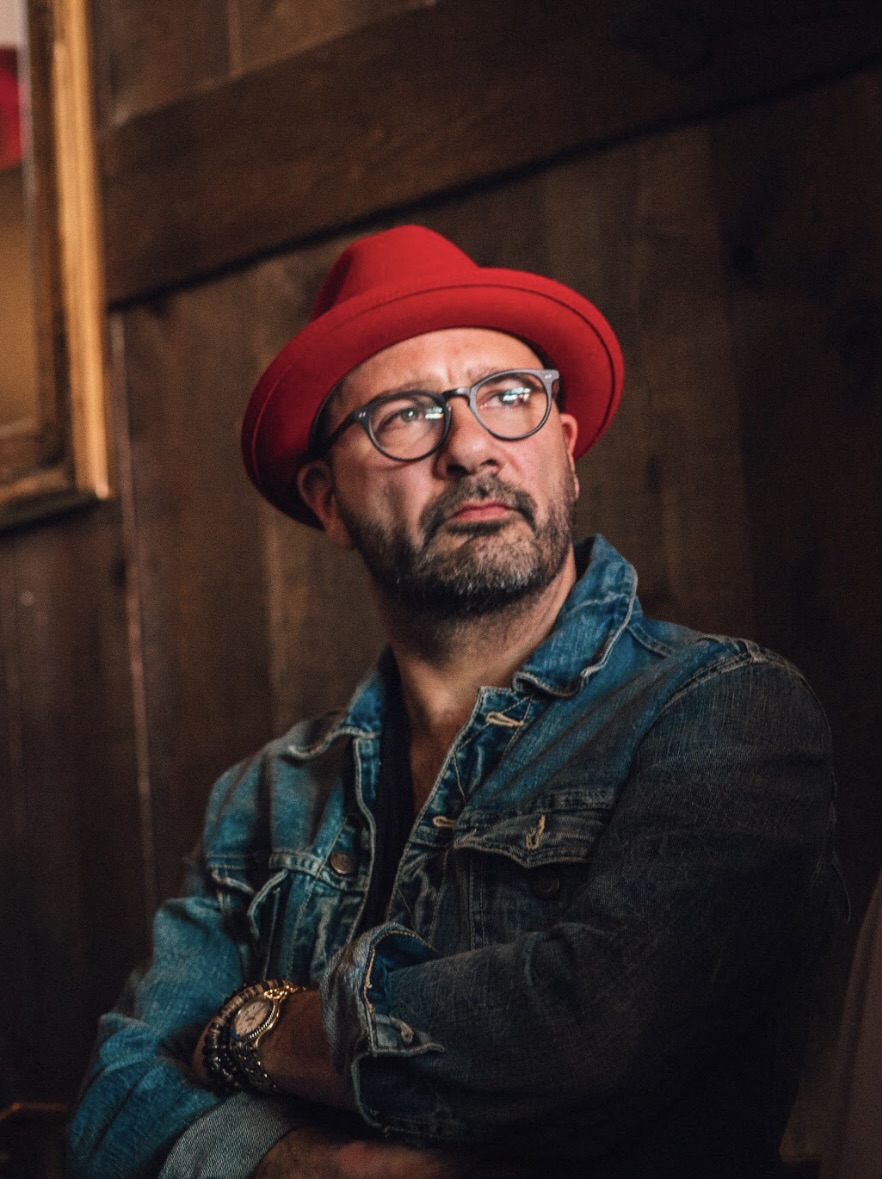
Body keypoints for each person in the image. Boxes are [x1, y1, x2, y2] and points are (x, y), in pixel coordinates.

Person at [69, 225, 848, 1178]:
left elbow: (588, 1034)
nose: (472, 446)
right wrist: (319, 1168)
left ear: (564, 449)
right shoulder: (262, 799)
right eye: (406, 414)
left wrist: (265, 1029)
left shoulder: (720, 710)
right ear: (325, 500)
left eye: (509, 397)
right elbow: (114, 1105)